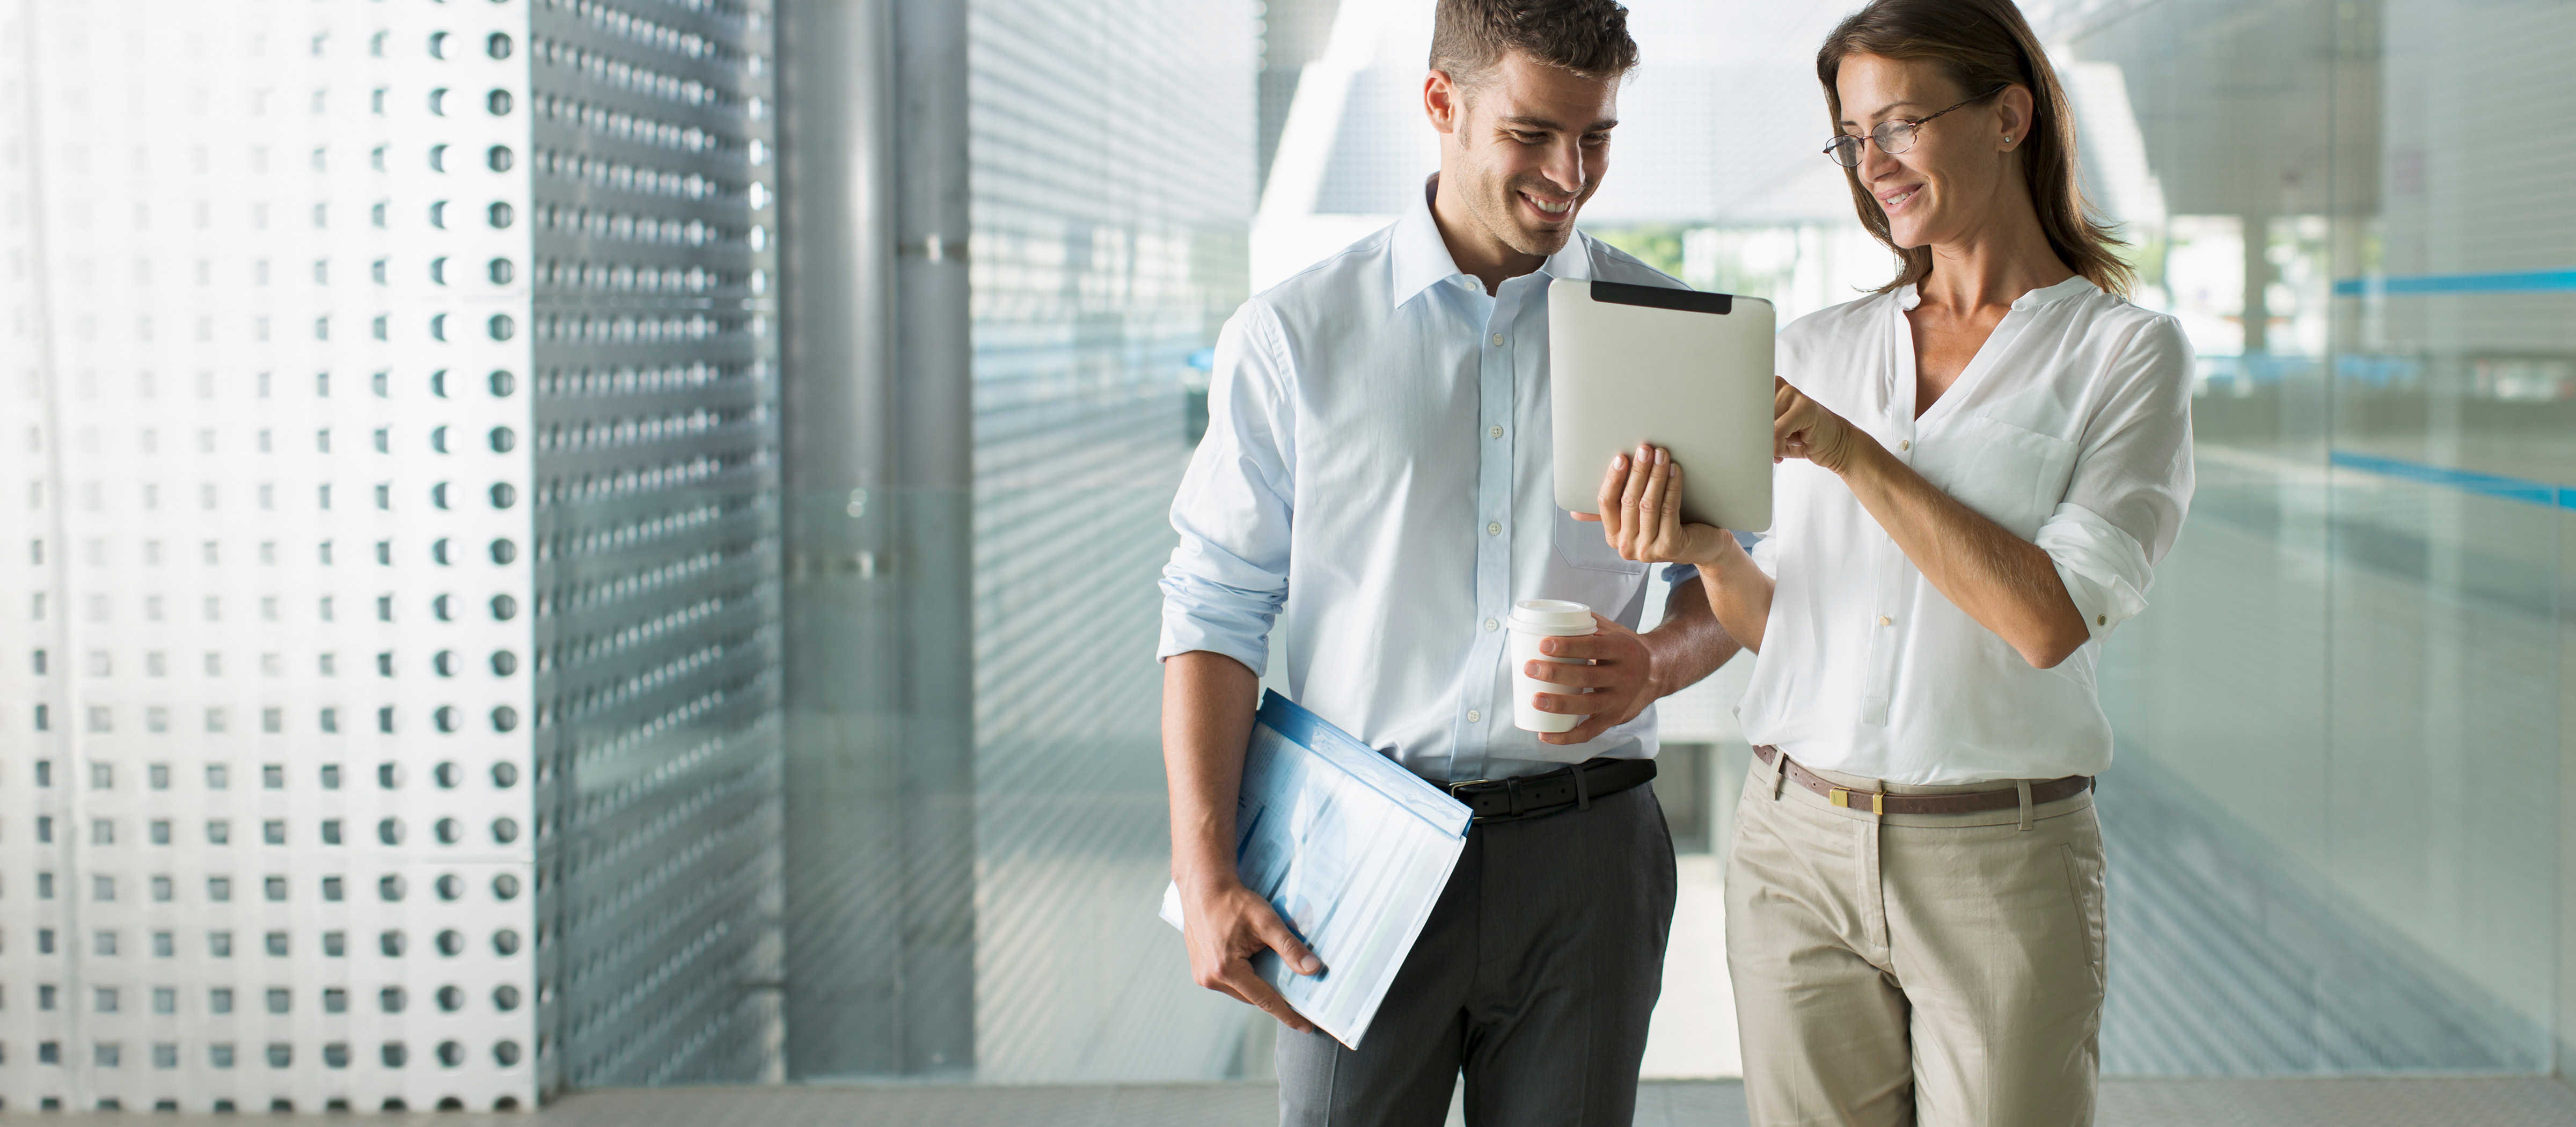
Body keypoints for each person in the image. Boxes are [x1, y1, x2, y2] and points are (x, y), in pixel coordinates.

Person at [1592, 0, 2193, 1123]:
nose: (1874, 164)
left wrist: (1855, 454)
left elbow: (2048, 619)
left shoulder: (2123, 355)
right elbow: (1794, 630)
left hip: (1998, 860)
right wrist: (1713, 553)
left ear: (2010, 115)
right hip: (1792, 845)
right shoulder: (1820, 345)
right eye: (1853, 137)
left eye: (1902, 124)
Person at [1157, 2, 1742, 1123]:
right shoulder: (1295, 336)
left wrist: (1659, 663)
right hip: (1352, 860)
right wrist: (1205, 870)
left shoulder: (1667, 331)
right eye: (1533, 134)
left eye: (1598, 138)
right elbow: (1215, 606)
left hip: (1590, 853)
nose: (1569, 175)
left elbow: (1740, 585)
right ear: (1441, 103)